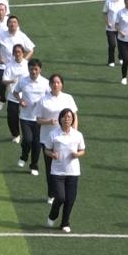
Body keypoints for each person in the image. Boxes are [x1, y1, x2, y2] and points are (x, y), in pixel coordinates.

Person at [36, 74, 79, 204]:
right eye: (53, 82)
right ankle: (52, 194)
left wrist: (75, 133)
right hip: (48, 138)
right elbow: (38, 120)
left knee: (66, 166)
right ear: (50, 84)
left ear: (62, 84)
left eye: (58, 82)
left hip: (66, 139)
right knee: (50, 167)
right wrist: (49, 121)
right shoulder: (43, 100)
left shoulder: (68, 98)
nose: (56, 85)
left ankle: (64, 193)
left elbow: (74, 116)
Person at [45, 109, 85, 233]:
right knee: (60, 197)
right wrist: (52, 154)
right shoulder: (53, 134)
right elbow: (47, 150)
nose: (67, 119)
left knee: (70, 199)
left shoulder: (77, 135)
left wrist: (77, 154)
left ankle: (65, 223)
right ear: (60, 119)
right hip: (57, 171)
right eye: (65, 117)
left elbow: (82, 150)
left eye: (69, 117)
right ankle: (53, 214)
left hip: (73, 172)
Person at [13, 59, 49, 175]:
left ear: (40, 70)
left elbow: (50, 97)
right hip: (25, 117)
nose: (33, 72)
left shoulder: (45, 83)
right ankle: (24, 156)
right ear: (28, 69)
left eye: (36, 69)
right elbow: (15, 92)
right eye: (31, 69)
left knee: (37, 143)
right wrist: (20, 100)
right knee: (27, 139)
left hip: (39, 119)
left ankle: (34, 165)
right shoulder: (23, 81)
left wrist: (42, 103)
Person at [0, 15, 35, 110]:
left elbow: (31, 49)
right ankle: (2, 99)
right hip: (4, 65)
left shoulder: (22, 36)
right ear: (7, 24)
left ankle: (19, 102)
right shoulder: (1, 35)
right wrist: (0, 58)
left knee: (18, 85)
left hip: (17, 66)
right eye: (10, 22)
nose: (12, 24)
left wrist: (24, 60)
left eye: (15, 22)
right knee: (2, 83)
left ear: (18, 24)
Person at [1, 44, 28, 142]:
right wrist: (11, 81)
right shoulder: (9, 65)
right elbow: (4, 80)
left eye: (19, 52)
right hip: (13, 96)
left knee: (27, 118)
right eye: (15, 52)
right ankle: (16, 135)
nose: (17, 54)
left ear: (23, 53)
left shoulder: (28, 65)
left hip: (26, 97)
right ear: (13, 53)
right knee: (12, 118)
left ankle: (28, 136)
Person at [102, 0, 124, 67]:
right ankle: (111, 61)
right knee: (112, 45)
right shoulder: (108, 1)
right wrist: (107, 23)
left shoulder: (124, 1)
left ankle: (121, 57)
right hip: (110, 28)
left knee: (121, 45)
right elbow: (105, 13)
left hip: (121, 28)